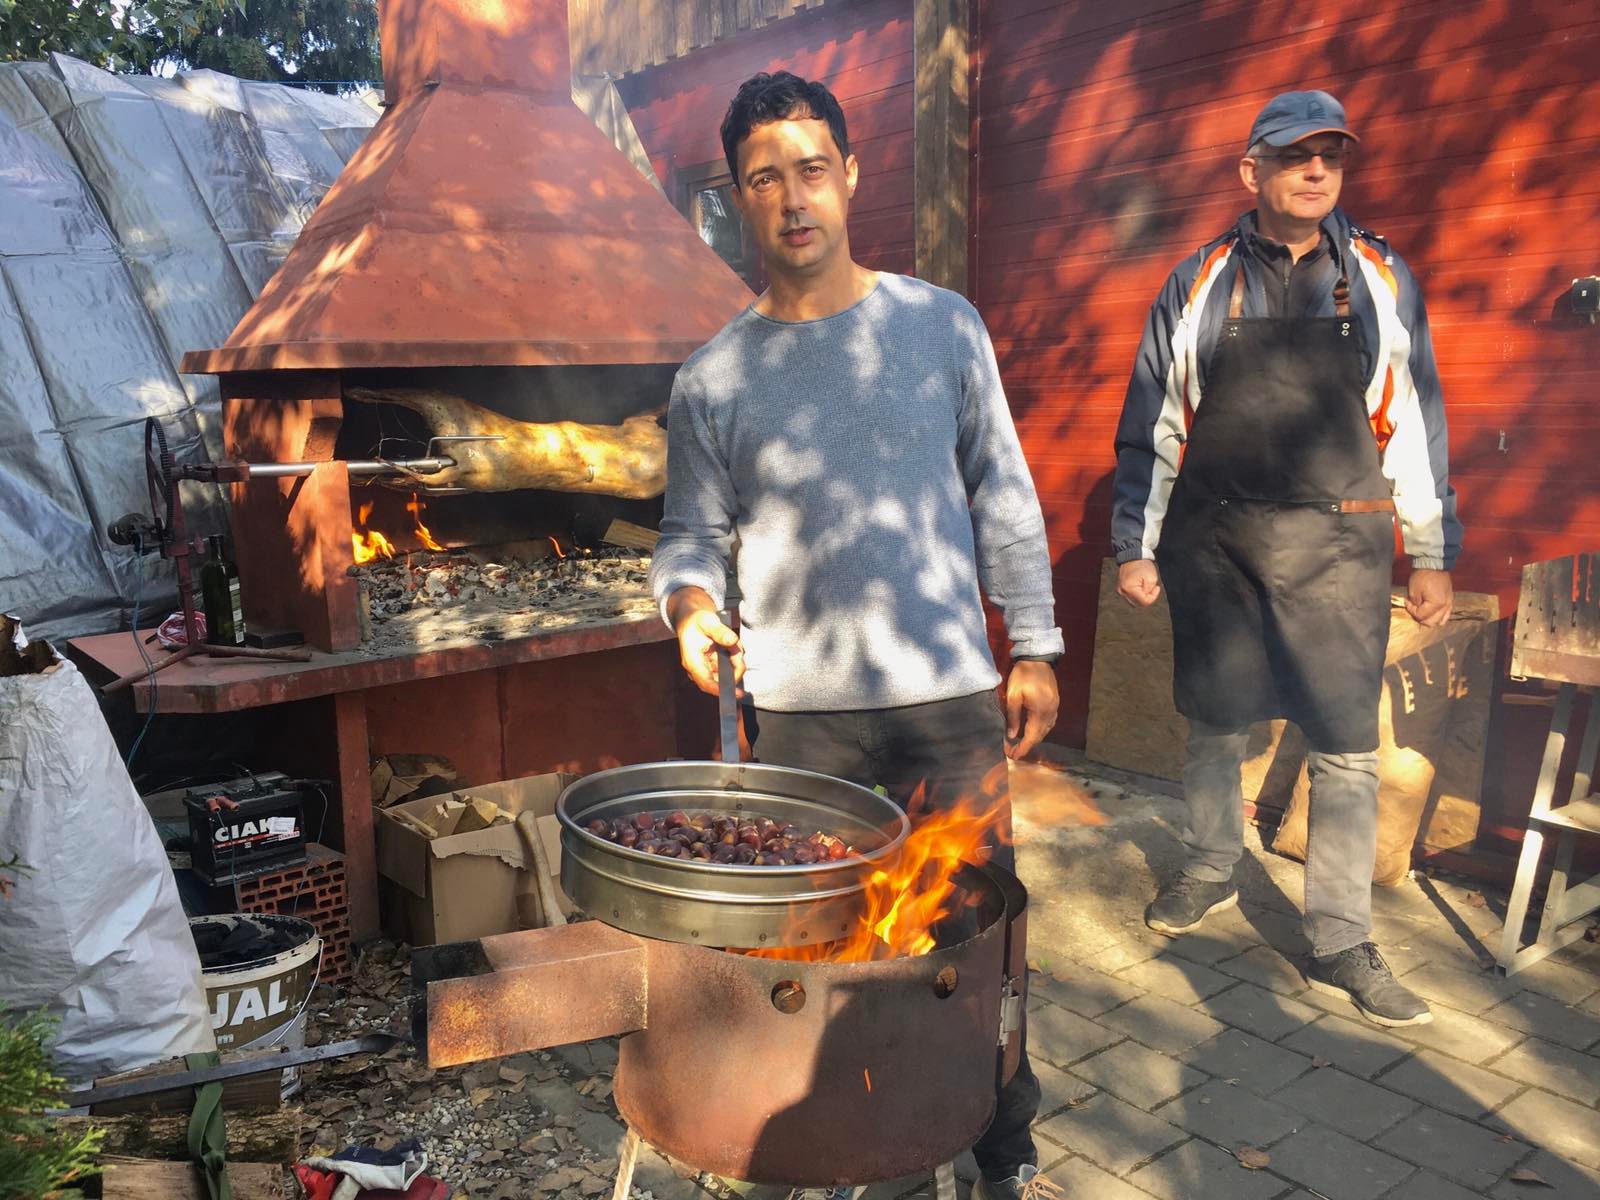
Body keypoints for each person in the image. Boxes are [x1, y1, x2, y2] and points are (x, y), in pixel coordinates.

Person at [648, 70, 1063, 1200]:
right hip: (799, 728)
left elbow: (1004, 495)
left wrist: (1032, 642)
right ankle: (878, 1156)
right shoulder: (713, 380)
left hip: (946, 706)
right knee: (835, 964)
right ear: (735, 201)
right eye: (763, 179)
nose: (792, 199)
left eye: (812, 169)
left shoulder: (939, 327)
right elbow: (689, 537)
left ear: (852, 175)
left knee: (977, 946)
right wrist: (688, 607)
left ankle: (1002, 1147)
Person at [1112, 90, 1461, 1028]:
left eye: (1331, 157)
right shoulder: (1200, 280)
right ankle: (1212, 864)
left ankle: (1342, 937)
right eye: (1295, 156)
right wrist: (1134, 548)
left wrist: (1429, 551)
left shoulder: (1381, 276)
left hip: (1341, 549)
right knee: (1216, 726)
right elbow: (1157, 427)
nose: (1316, 172)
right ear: (1251, 171)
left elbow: (1412, 426)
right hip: (1217, 545)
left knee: (1345, 747)